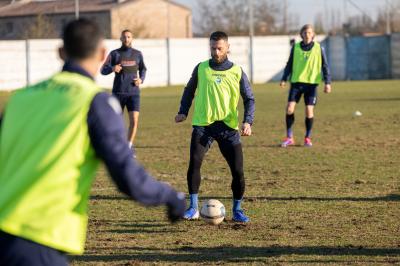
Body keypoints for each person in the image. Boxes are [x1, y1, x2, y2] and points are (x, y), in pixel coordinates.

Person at [0, 19, 185, 266]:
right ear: (101, 54)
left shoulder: (20, 99)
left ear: (61, 52)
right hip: (37, 239)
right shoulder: (93, 102)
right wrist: (171, 196)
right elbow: (126, 174)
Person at [175, 31, 255, 223]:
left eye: (220, 48)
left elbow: (249, 98)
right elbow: (189, 90)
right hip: (204, 125)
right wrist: (183, 111)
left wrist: (248, 121)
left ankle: (237, 209)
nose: (216, 52)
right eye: (213, 48)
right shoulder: (201, 68)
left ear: (228, 48)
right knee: (194, 163)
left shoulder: (237, 71)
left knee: (238, 171)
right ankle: (193, 207)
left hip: (228, 128)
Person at [280, 24, 332, 147]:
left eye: (309, 33)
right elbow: (289, 64)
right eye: (305, 33)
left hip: (312, 84)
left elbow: (325, 66)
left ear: (313, 35)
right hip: (296, 83)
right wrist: (284, 79)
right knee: (289, 109)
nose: (307, 35)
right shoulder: (295, 47)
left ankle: (307, 138)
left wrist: (327, 82)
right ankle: (289, 137)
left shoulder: (319, 48)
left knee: (309, 111)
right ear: (301, 34)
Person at [101, 29, 146, 156]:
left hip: (134, 93)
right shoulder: (114, 54)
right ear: (120, 39)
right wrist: (112, 68)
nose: (126, 39)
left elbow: (143, 69)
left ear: (132, 38)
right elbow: (102, 70)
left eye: (129, 37)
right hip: (118, 93)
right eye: (124, 37)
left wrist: (141, 79)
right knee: (117, 123)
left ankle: (129, 146)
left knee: (134, 121)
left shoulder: (138, 54)